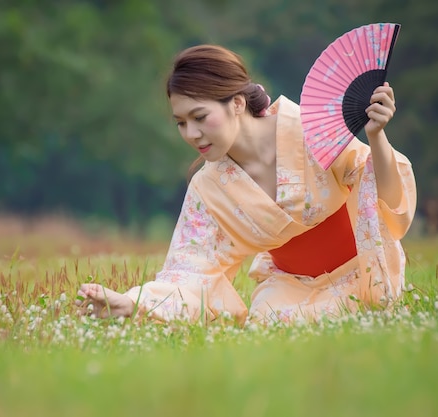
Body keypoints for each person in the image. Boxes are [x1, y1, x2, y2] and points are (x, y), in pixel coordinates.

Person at [78, 45, 417, 325]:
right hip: (287, 289)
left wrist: (376, 137)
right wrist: (133, 303)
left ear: (236, 104)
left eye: (199, 117)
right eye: (181, 123)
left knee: (353, 318)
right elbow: (188, 270)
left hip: (358, 274)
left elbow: (384, 198)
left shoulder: (309, 130)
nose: (191, 134)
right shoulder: (208, 189)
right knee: (267, 325)